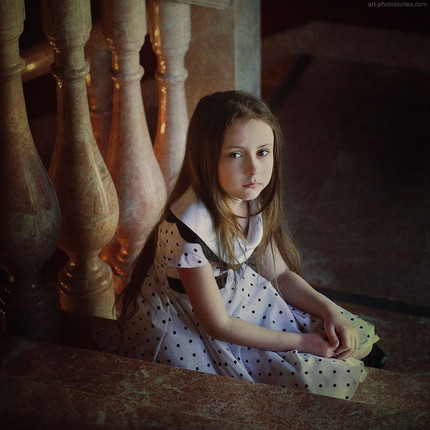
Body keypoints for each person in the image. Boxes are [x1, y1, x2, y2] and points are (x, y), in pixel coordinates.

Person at [95, 90, 385, 400]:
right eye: (235, 154)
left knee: (356, 343)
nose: (253, 169)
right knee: (314, 374)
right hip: (192, 324)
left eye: (263, 152)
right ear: (207, 157)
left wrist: (330, 311)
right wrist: (302, 343)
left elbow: (279, 274)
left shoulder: (248, 194)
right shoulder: (189, 229)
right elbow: (218, 324)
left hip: (239, 295)